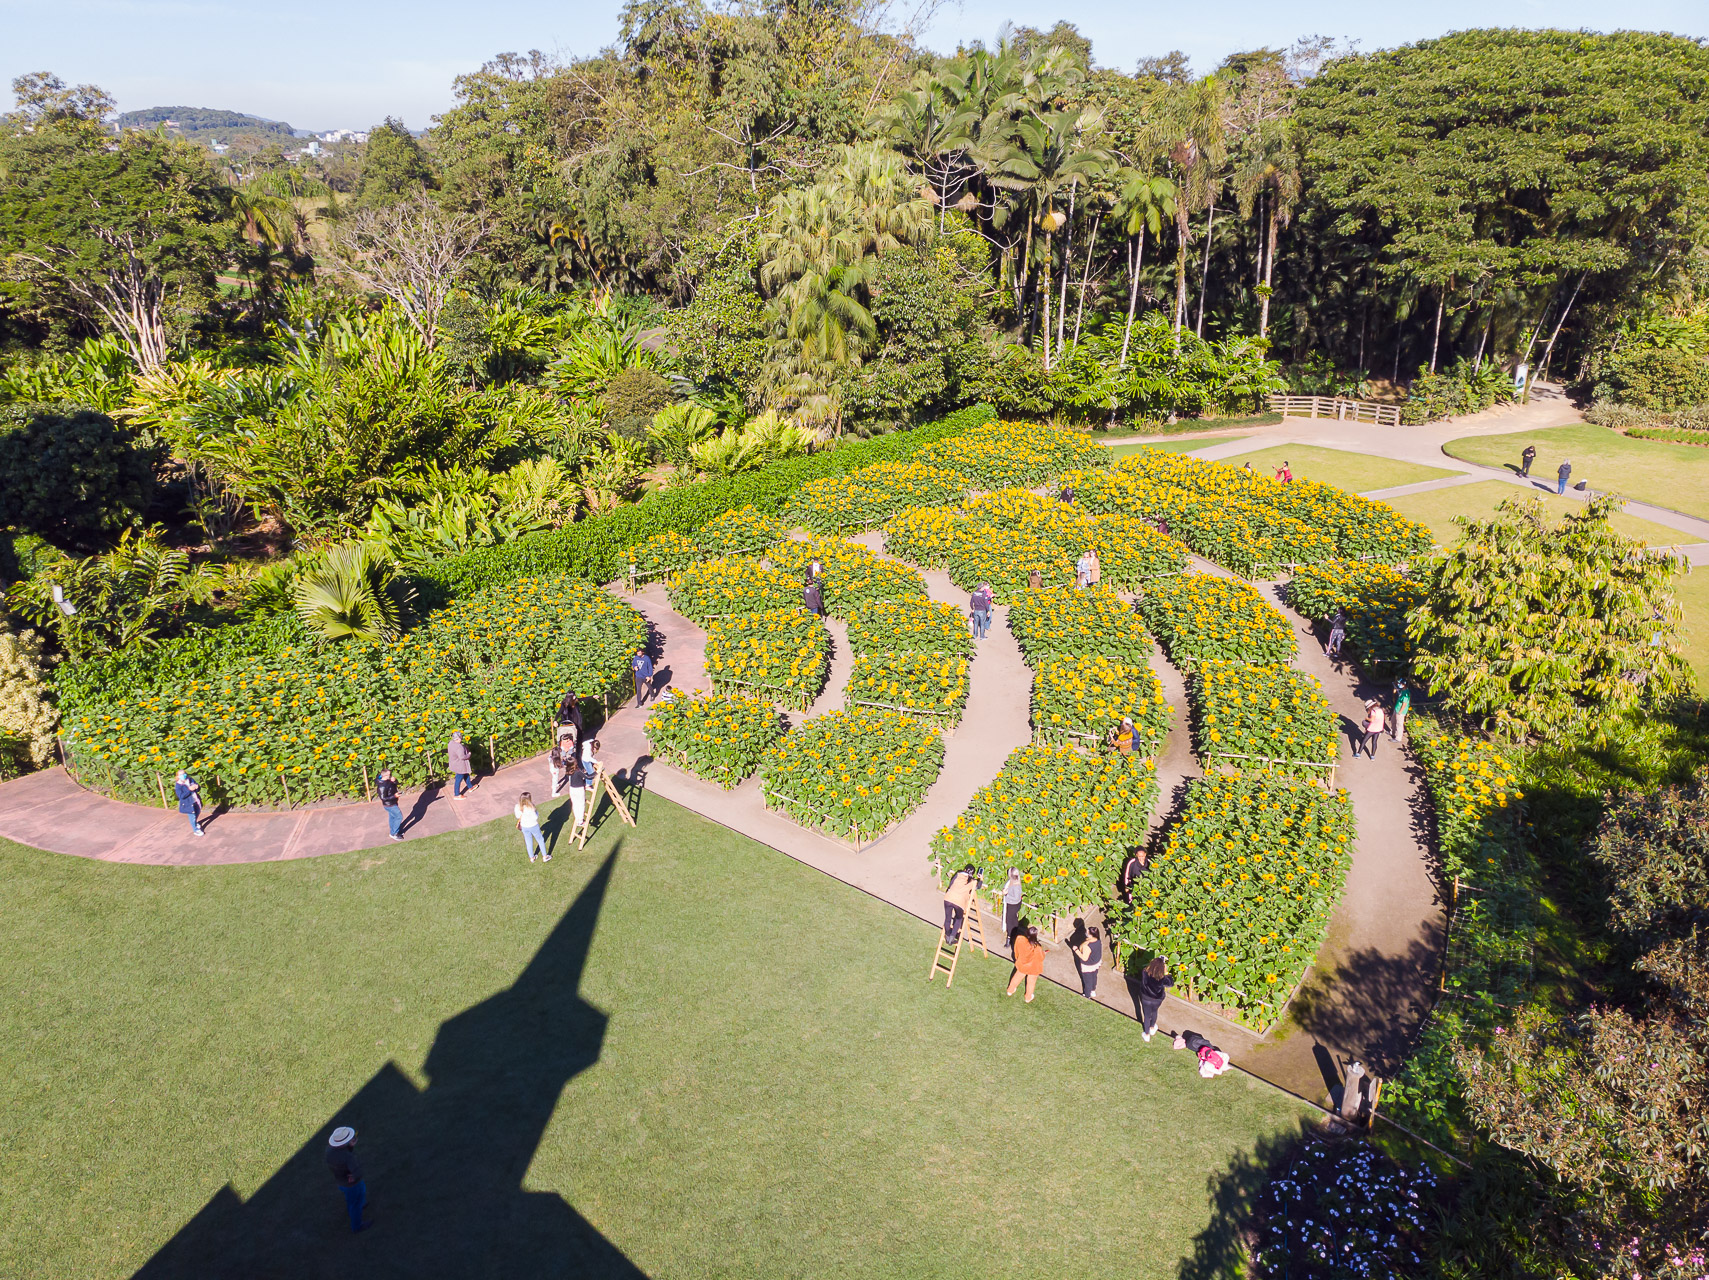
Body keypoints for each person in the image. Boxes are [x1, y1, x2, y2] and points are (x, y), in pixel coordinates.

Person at [326, 1126, 368, 1233]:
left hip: (341, 1181)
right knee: (356, 1203)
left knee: (353, 1198)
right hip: (352, 1184)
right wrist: (354, 1176)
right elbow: (358, 1172)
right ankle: (357, 1226)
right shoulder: (348, 1157)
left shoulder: (329, 1150)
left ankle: (360, 1205)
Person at [1007, 923, 1046, 1002]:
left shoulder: (1020, 939)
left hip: (1022, 964)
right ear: (1036, 935)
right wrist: (1044, 953)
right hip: (1033, 968)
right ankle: (1028, 997)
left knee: (1017, 976)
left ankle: (1010, 990)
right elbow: (1040, 958)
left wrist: (1017, 958)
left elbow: (1016, 949)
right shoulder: (1037, 947)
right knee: (1031, 982)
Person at [1138, 957, 1174, 1042]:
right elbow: (1171, 984)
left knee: (1146, 1015)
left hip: (1145, 997)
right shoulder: (1162, 977)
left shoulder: (1145, 972)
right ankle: (1152, 1027)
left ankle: (1146, 1034)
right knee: (1154, 1011)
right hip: (1157, 999)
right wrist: (1167, 973)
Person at [942, 864, 978, 944]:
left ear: (965, 869)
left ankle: (947, 935)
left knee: (948, 918)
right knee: (958, 919)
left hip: (948, 898)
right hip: (959, 902)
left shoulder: (958, 874)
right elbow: (978, 886)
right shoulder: (972, 881)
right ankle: (952, 937)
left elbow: (951, 883)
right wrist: (980, 879)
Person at [515, 791, 551, 862]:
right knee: (540, 839)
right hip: (533, 826)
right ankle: (545, 856)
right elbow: (535, 817)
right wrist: (536, 812)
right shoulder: (531, 807)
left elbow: (517, 816)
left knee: (528, 841)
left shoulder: (517, 807)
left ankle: (532, 858)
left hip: (524, 827)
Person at [1072, 924, 1103, 999]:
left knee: (1087, 980)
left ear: (1091, 935)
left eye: (1087, 932)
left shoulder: (1087, 946)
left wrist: (1076, 950)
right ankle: (1093, 990)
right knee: (1094, 977)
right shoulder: (1098, 941)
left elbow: (1084, 958)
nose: (1086, 932)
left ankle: (1087, 995)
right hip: (1096, 963)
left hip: (1088, 965)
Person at [174, 769, 205, 837]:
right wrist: (189, 790)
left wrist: (197, 787)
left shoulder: (190, 779)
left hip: (195, 799)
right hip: (188, 803)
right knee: (192, 816)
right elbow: (181, 796)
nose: (183, 775)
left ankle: (195, 823)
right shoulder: (178, 785)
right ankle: (195, 830)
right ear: (178, 776)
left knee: (198, 811)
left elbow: (197, 788)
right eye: (181, 774)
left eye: (184, 773)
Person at [377, 767, 403, 841]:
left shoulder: (387, 780)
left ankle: (394, 830)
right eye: (389, 774)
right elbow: (383, 798)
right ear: (385, 776)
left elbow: (394, 785)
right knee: (399, 817)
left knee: (392, 816)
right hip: (389, 804)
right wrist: (394, 796)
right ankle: (394, 833)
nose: (390, 775)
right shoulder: (381, 786)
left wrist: (394, 781)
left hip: (393, 802)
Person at [567, 754, 591, 832]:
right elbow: (588, 777)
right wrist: (595, 773)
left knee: (575, 804)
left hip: (572, 789)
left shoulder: (569, 771)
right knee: (581, 804)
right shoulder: (577, 771)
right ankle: (580, 821)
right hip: (579, 790)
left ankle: (577, 819)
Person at [447, 730, 473, 797]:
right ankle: (457, 794)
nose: (461, 739)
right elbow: (462, 757)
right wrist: (469, 755)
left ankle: (470, 786)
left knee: (466, 774)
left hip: (454, 763)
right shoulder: (459, 747)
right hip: (460, 765)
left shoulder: (451, 743)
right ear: (458, 738)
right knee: (458, 779)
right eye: (460, 738)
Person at [1001, 868, 1024, 939]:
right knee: (1014, 919)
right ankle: (1015, 934)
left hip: (1013, 905)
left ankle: (1009, 936)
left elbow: (1016, 898)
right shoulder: (1014, 881)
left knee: (1009, 921)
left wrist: (1006, 894)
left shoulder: (1016, 885)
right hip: (1013, 904)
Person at [1391, 680, 1412, 745]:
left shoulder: (1406, 694)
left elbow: (1404, 704)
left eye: (1400, 683)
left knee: (1399, 724)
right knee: (1393, 720)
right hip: (1397, 708)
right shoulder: (1402, 690)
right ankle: (1393, 732)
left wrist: (1400, 712)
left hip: (1400, 711)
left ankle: (1398, 738)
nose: (1399, 684)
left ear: (1404, 684)